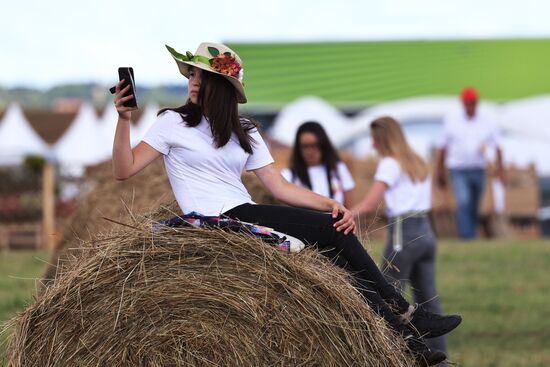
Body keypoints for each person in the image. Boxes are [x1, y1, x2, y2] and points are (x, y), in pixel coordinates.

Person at [112, 41, 460, 366]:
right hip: (211, 220)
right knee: (331, 233)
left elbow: (279, 187)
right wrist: (123, 121)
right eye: (192, 74)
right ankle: (404, 309)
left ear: (220, 86)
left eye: (201, 75)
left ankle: (406, 344)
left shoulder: (244, 130)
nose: (193, 81)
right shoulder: (172, 123)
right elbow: (123, 169)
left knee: (334, 257)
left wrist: (328, 202)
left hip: (240, 213)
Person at [352, 116, 456, 363]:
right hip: (426, 233)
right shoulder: (418, 162)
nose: (373, 146)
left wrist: (343, 214)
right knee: (429, 303)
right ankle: (441, 362)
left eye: (375, 140)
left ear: (385, 139)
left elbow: (370, 203)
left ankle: (390, 357)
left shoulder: (390, 163)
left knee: (388, 300)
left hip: (403, 235)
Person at [436, 87, 505, 239]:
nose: (470, 106)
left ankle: (470, 233)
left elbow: (498, 146)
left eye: (472, 103)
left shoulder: (487, 121)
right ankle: (467, 237)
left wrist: (501, 170)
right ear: (463, 103)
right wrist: (439, 171)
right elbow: (442, 147)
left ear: (476, 103)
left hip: (478, 170)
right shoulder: (452, 120)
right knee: (464, 201)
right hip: (458, 170)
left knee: (474, 205)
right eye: (467, 103)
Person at [281, 121, 355, 207]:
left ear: (323, 145)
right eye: (305, 146)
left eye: (314, 145)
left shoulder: (338, 169)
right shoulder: (288, 175)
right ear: (298, 148)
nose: (309, 151)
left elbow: (350, 209)